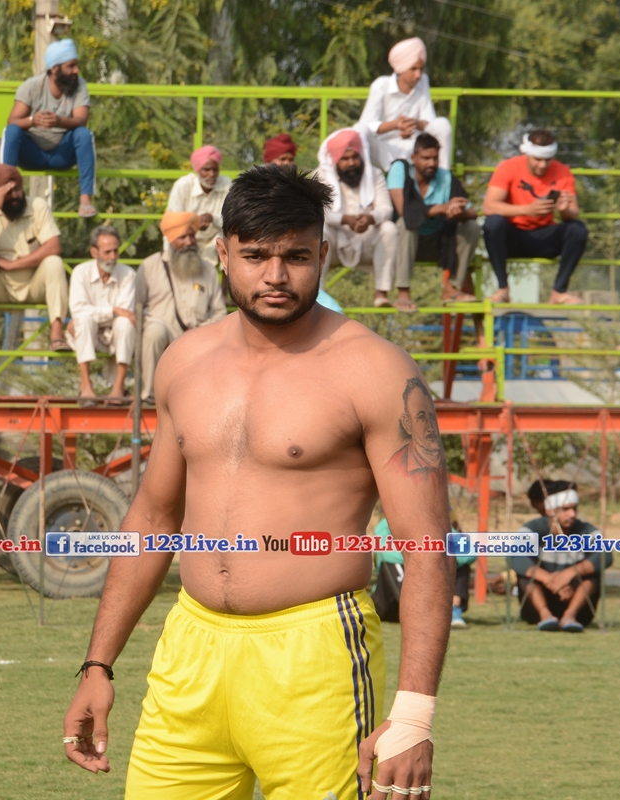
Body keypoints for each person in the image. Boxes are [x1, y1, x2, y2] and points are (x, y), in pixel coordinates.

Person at [63, 165, 451, 800]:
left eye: (296, 257)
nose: (276, 276)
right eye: (255, 256)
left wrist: (413, 716)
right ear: (222, 254)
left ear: (323, 254)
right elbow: (153, 517)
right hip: (189, 650)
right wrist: (98, 663)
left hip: (316, 656)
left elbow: (426, 545)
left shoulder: (377, 371)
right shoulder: (184, 362)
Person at [0, 164, 69, 351]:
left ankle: (57, 335)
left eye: (17, 189)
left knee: (54, 262)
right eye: (7, 192)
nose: (14, 196)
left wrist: (14, 264)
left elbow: (54, 246)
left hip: (33, 285)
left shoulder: (37, 206)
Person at [482, 129, 587, 305]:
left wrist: (563, 210)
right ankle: (502, 289)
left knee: (578, 230)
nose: (543, 165)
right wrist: (527, 210)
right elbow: (489, 206)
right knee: (493, 223)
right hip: (512, 237)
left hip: (545, 238)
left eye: (548, 159)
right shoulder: (508, 167)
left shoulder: (563, 171)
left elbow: (573, 213)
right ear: (526, 154)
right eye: (538, 159)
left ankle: (559, 292)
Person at [136, 211, 228, 403]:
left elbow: (220, 313)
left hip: (198, 335)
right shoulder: (150, 267)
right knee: (154, 332)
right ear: (170, 240)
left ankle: (203, 398)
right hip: (162, 331)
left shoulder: (208, 270)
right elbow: (137, 307)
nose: (189, 242)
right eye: (182, 237)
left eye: (192, 236)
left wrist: (200, 330)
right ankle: (149, 395)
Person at [1, 39, 97, 218]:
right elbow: (12, 121)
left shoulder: (80, 85)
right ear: (55, 69)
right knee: (12, 132)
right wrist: (32, 120)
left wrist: (59, 121)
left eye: (76, 65)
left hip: (61, 154)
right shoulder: (32, 86)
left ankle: (85, 199)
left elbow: (81, 120)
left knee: (84, 134)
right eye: (71, 66)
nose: (76, 71)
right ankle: (7, 194)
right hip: (32, 155)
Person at [387, 132, 480, 305]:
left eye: (435, 158)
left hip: (438, 243)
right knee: (406, 224)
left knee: (472, 227)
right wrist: (442, 208)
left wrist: (457, 211)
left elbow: (472, 212)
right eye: (426, 158)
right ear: (413, 158)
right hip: (403, 245)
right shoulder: (400, 170)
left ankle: (452, 287)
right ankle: (403, 292)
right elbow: (404, 211)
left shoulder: (446, 178)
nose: (431, 163)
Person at [313, 128, 401, 309]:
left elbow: (386, 210)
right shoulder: (321, 176)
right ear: (335, 160)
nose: (351, 163)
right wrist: (344, 219)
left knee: (389, 228)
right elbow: (317, 212)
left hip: (366, 239)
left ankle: (381, 294)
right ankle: (316, 294)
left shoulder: (374, 174)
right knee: (319, 229)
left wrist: (370, 218)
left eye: (355, 157)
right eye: (345, 159)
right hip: (333, 244)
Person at [508, 480, 612, 632]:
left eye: (574, 509)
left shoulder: (585, 530)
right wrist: (550, 580)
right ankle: (545, 615)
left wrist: (569, 574)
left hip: (578, 605)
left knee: (593, 574)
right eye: (565, 509)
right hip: (536, 605)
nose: (572, 514)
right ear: (550, 510)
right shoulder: (534, 528)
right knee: (526, 575)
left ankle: (570, 616)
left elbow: (605, 555)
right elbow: (515, 556)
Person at [359, 37, 452, 173]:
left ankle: (443, 178)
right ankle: (367, 178)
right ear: (400, 68)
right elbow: (367, 124)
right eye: (413, 69)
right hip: (384, 151)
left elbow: (430, 121)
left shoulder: (423, 81)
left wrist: (415, 124)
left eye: (421, 69)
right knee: (359, 130)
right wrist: (396, 124)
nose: (418, 75)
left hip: (415, 149)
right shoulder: (381, 85)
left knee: (443, 125)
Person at [67, 225, 136, 404]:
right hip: (87, 332)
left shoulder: (128, 274)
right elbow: (78, 310)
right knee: (83, 320)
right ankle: (85, 386)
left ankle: (118, 387)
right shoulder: (80, 272)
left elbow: (126, 314)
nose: (112, 257)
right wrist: (113, 311)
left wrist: (102, 313)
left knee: (125, 324)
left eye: (115, 251)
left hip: (116, 334)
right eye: (107, 252)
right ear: (94, 252)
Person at [165, 145, 232, 267]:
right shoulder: (183, 185)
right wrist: (194, 223)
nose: (212, 174)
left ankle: (227, 278)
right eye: (206, 170)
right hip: (188, 238)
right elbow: (173, 221)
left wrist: (212, 218)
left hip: (215, 239)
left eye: (215, 169)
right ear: (197, 170)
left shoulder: (226, 184)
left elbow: (231, 219)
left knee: (231, 237)